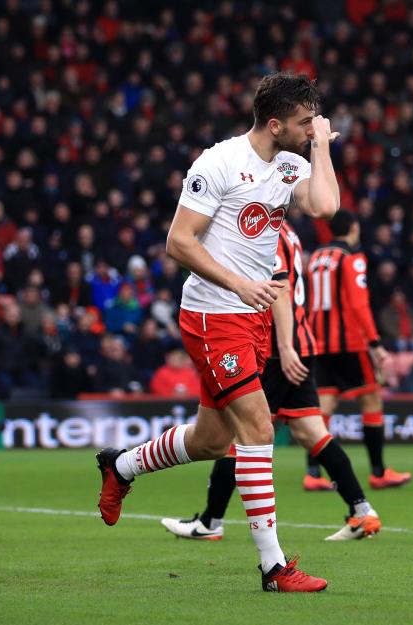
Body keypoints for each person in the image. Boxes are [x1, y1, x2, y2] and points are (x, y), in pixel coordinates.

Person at [95, 72, 338, 592]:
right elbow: (178, 242)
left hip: (249, 318)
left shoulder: (293, 162)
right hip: (212, 314)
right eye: (302, 122)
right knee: (258, 429)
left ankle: (122, 465)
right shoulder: (219, 162)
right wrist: (238, 283)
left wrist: (321, 148)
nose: (309, 128)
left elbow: (326, 208)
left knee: (211, 441)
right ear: (274, 124)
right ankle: (274, 568)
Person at [161, 221, 381, 543]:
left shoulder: (267, 230)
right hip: (302, 344)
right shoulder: (289, 231)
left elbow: (279, 288)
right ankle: (362, 512)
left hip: (277, 349)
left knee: (239, 433)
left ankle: (211, 521)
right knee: (312, 431)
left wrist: (284, 347)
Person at [305, 210, 412, 490]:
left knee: (324, 405)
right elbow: (358, 303)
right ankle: (378, 472)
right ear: (353, 228)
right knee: (372, 400)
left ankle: (313, 473)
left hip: (320, 340)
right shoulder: (353, 257)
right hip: (349, 342)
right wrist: (375, 343)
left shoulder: (316, 257)